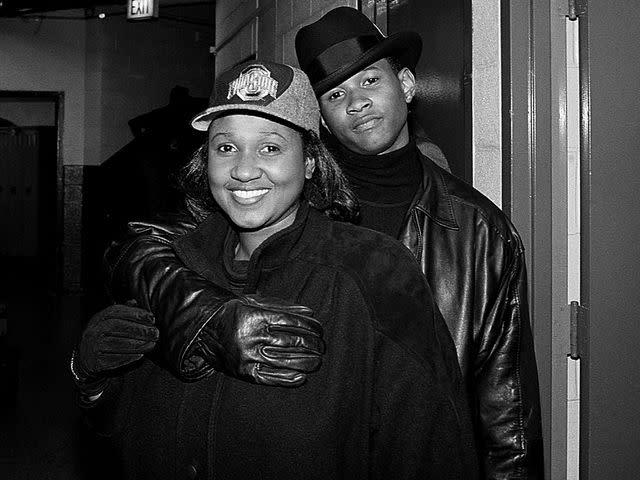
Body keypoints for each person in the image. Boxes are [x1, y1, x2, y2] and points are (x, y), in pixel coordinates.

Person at [103, 7, 543, 478]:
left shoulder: (479, 232)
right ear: (322, 124)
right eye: (336, 93)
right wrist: (200, 314)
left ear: (409, 86)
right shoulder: (278, 199)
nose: (356, 103)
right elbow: (147, 246)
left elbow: (506, 409)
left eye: (370, 81)